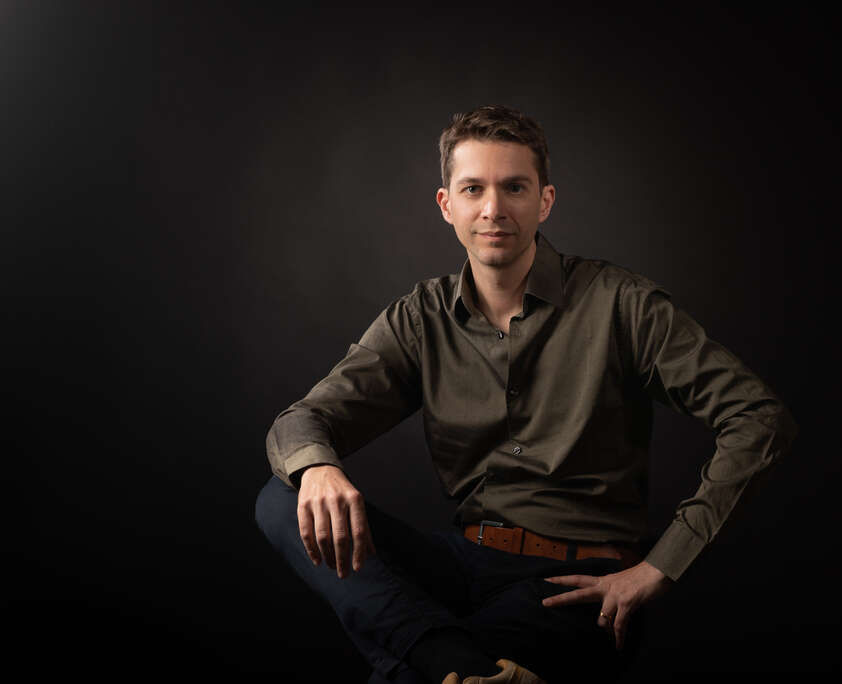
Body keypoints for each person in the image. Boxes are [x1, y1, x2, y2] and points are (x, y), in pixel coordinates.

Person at [255, 104, 799, 684]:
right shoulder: (420, 318)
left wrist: (661, 566)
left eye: (514, 187)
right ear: (447, 204)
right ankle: (450, 660)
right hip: (463, 562)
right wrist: (319, 469)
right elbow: (301, 421)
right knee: (281, 498)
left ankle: (439, 662)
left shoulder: (621, 304)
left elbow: (758, 418)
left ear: (545, 201)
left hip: (575, 584)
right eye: (473, 189)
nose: (493, 209)